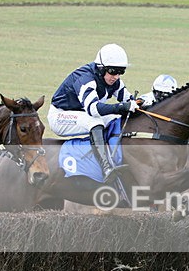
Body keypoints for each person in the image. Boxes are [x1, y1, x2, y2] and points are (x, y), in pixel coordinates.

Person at [49, 43, 140, 182]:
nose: (116, 76)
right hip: (60, 116)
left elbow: (129, 100)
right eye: (112, 71)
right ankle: (106, 167)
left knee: (116, 119)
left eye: (120, 72)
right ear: (101, 68)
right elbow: (94, 109)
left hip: (81, 114)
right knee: (95, 121)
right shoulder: (85, 78)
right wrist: (123, 106)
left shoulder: (113, 80)